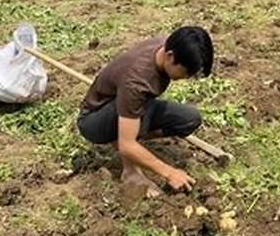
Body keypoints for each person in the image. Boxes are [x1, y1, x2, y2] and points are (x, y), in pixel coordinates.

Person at [76, 26, 213, 198]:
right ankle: (131, 171)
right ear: (170, 56)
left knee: (189, 119)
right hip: (94, 120)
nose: (186, 78)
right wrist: (169, 172)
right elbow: (127, 145)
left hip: (126, 103)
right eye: (186, 73)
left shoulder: (167, 45)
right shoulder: (138, 82)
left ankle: (128, 133)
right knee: (138, 114)